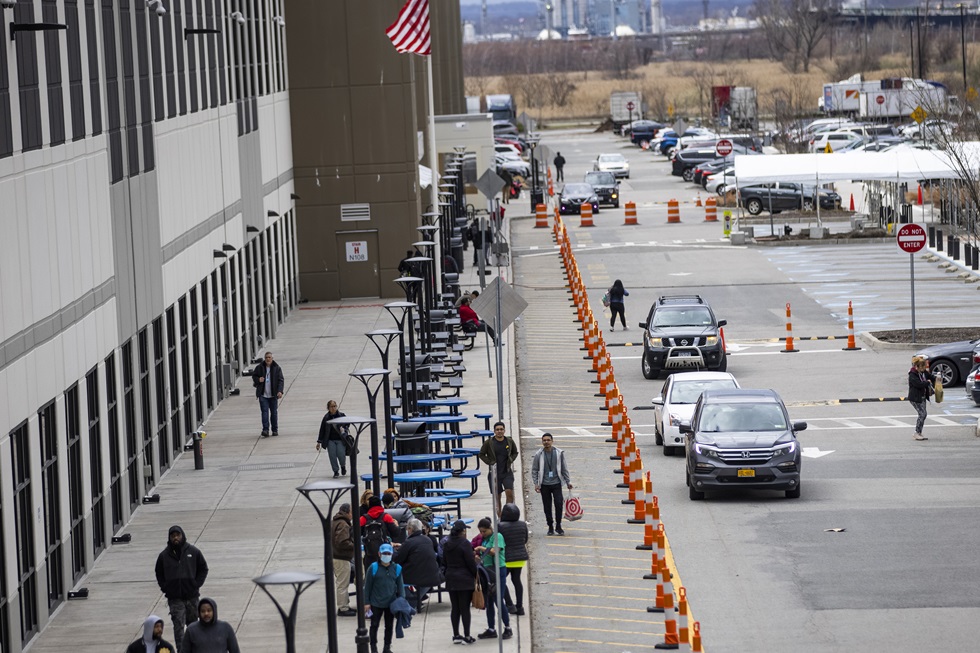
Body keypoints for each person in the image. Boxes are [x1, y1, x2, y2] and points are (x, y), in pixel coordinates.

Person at [155, 525, 209, 650]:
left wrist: (196, 584)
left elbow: (203, 568)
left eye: (177, 535)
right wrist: (165, 587)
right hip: (175, 599)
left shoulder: (193, 552)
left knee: (194, 626)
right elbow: (159, 573)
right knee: (178, 627)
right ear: (169, 538)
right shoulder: (164, 556)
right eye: (173, 536)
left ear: (182, 536)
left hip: (192, 597)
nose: (175, 538)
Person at [475, 517, 512, 640]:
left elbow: (495, 551)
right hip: (487, 571)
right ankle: (491, 628)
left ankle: (507, 627)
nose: (482, 534)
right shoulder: (484, 539)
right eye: (480, 531)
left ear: (490, 528)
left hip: (498, 570)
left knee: (498, 600)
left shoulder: (498, 536)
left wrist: (481, 548)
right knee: (489, 601)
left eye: (484, 531)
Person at [393, 518, 442, 612]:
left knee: (394, 577)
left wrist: (394, 551)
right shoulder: (428, 540)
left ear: (410, 529)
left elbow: (398, 559)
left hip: (414, 575)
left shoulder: (409, 542)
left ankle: (412, 601)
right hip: (432, 573)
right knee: (425, 582)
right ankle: (417, 599)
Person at [441, 520, 477, 645]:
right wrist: (475, 574)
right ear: (462, 531)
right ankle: (467, 635)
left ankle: (456, 634)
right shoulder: (465, 543)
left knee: (455, 608)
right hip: (464, 579)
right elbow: (470, 562)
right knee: (465, 608)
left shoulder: (447, 543)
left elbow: (444, 561)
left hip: (451, 578)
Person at [364, 543, 405, 653]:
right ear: (379, 554)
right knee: (374, 625)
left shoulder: (397, 568)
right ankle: (373, 648)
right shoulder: (373, 568)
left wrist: (402, 601)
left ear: (392, 554)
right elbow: (367, 586)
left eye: (388, 553)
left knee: (389, 626)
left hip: (390, 603)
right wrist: (366, 602)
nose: (386, 555)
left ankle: (387, 647)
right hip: (375, 603)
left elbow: (400, 587)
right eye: (384, 553)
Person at [531, 432, 574, 536]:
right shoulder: (539, 454)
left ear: (552, 441)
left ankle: (558, 525)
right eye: (544, 440)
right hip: (544, 484)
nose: (546, 442)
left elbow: (564, 468)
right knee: (547, 506)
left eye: (548, 440)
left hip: (556, 483)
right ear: (542, 442)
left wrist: (568, 481)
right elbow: (534, 470)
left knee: (559, 504)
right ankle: (550, 526)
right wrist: (536, 484)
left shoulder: (559, 453)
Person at [478, 422, 519, 514]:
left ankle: (508, 513)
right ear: (494, 431)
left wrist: (511, 459)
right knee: (497, 496)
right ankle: (500, 516)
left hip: (507, 472)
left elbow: (515, 452)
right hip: (494, 473)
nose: (499, 431)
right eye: (497, 430)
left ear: (504, 430)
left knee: (509, 493)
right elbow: (481, 454)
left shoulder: (509, 441)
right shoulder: (489, 442)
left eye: (501, 429)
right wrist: (490, 462)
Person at [497, 503, 528, 616]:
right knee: (516, 580)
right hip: (520, 558)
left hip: (506, 558)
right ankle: (520, 606)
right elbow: (525, 540)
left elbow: (499, 542)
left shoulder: (500, 526)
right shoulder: (522, 524)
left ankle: (510, 604)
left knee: (500, 580)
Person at [361, 495, 401, 569]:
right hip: (385, 553)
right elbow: (396, 533)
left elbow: (354, 534)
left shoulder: (364, 519)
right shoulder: (386, 517)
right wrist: (397, 525)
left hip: (369, 554)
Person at [332, 503, 357, 617]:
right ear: (347, 513)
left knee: (342, 582)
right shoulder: (343, 524)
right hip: (341, 557)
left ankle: (344, 605)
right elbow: (342, 541)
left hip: (336, 556)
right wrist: (353, 544)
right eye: (352, 512)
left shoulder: (337, 521)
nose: (352, 515)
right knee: (343, 583)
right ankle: (343, 608)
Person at [251, 351, 284, 437]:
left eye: (269, 357)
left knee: (274, 413)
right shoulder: (260, 367)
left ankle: (275, 430)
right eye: (266, 358)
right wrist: (258, 380)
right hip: (263, 395)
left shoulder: (277, 368)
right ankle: (265, 430)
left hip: (273, 395)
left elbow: (281, 380)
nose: (268, 359)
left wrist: (280, 391)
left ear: (272, 359)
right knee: (264, 413)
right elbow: (254, 376)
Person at [316, 400, 349, 477]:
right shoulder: (326, 418)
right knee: (332, 456)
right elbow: (322, 430)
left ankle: (343, 466)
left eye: (335, 406)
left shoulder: (341, 415)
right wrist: (319, 442)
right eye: (331, 406)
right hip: (330, 440)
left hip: (340, 439)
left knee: (341, 454)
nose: (333, 408)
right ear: (328, 408)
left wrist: (344, 428)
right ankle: (335, 471)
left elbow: (347, 423)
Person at [908, 355, 936, 441]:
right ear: (917, 366)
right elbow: (919, 385)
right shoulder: (912, 375)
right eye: (922, 367)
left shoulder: (923, 372)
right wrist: (927, 382)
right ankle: (916, 432)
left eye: (924, 367)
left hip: (923, 397)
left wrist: (937, 379)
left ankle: (919, 432)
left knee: (923, 414)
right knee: (922, 414)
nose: (923, 369)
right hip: (915, 398)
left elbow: (931, 377)